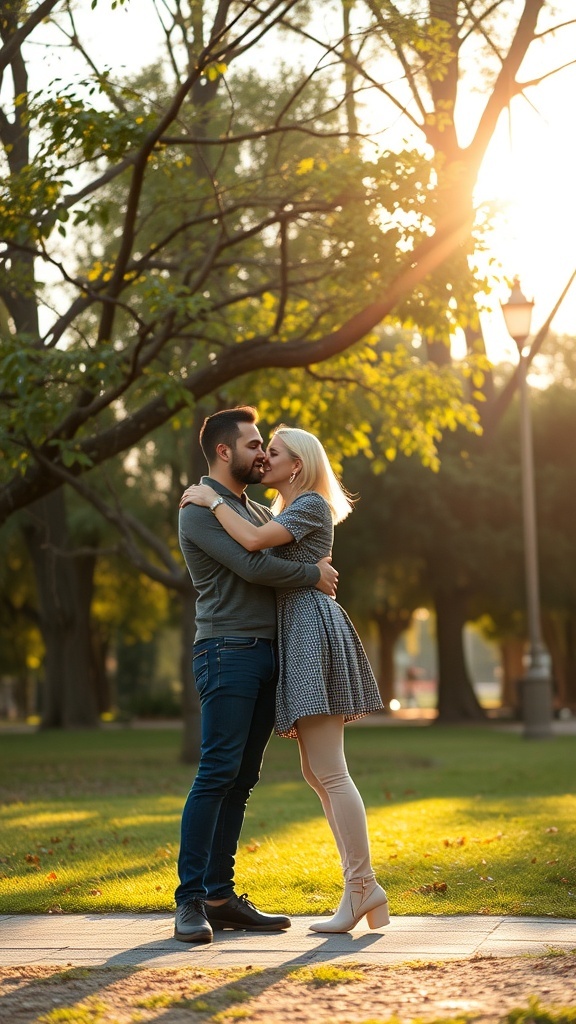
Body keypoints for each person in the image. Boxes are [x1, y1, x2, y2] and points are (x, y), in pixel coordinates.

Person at [181, 425, 389, 934]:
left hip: (302, 638)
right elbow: (257, 560)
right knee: (306, 773)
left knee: (322, 772)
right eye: (257, 446)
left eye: (270, 450)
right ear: (225, 450)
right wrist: (311, 572)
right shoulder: (237, 510)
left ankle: (361, 888)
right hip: (250, 646)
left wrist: (214, 501)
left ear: (296, 464)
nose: (263, 456)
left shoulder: (284, 509)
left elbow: (258, 548)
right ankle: (196, 899)